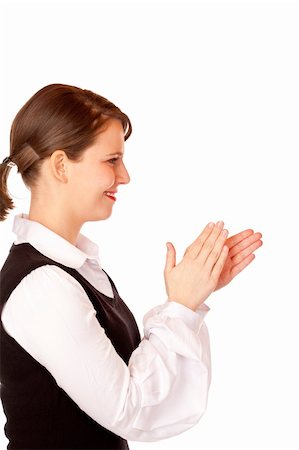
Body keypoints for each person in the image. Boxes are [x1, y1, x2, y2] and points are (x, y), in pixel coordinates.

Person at [0, 83, 263, 450]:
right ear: (61, 165)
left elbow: (147, 398)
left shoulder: (74, 270)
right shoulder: (42, 286)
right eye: (111, 160)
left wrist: (193, 297)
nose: (125, 176)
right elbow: (132, 409)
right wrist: (181, 306)